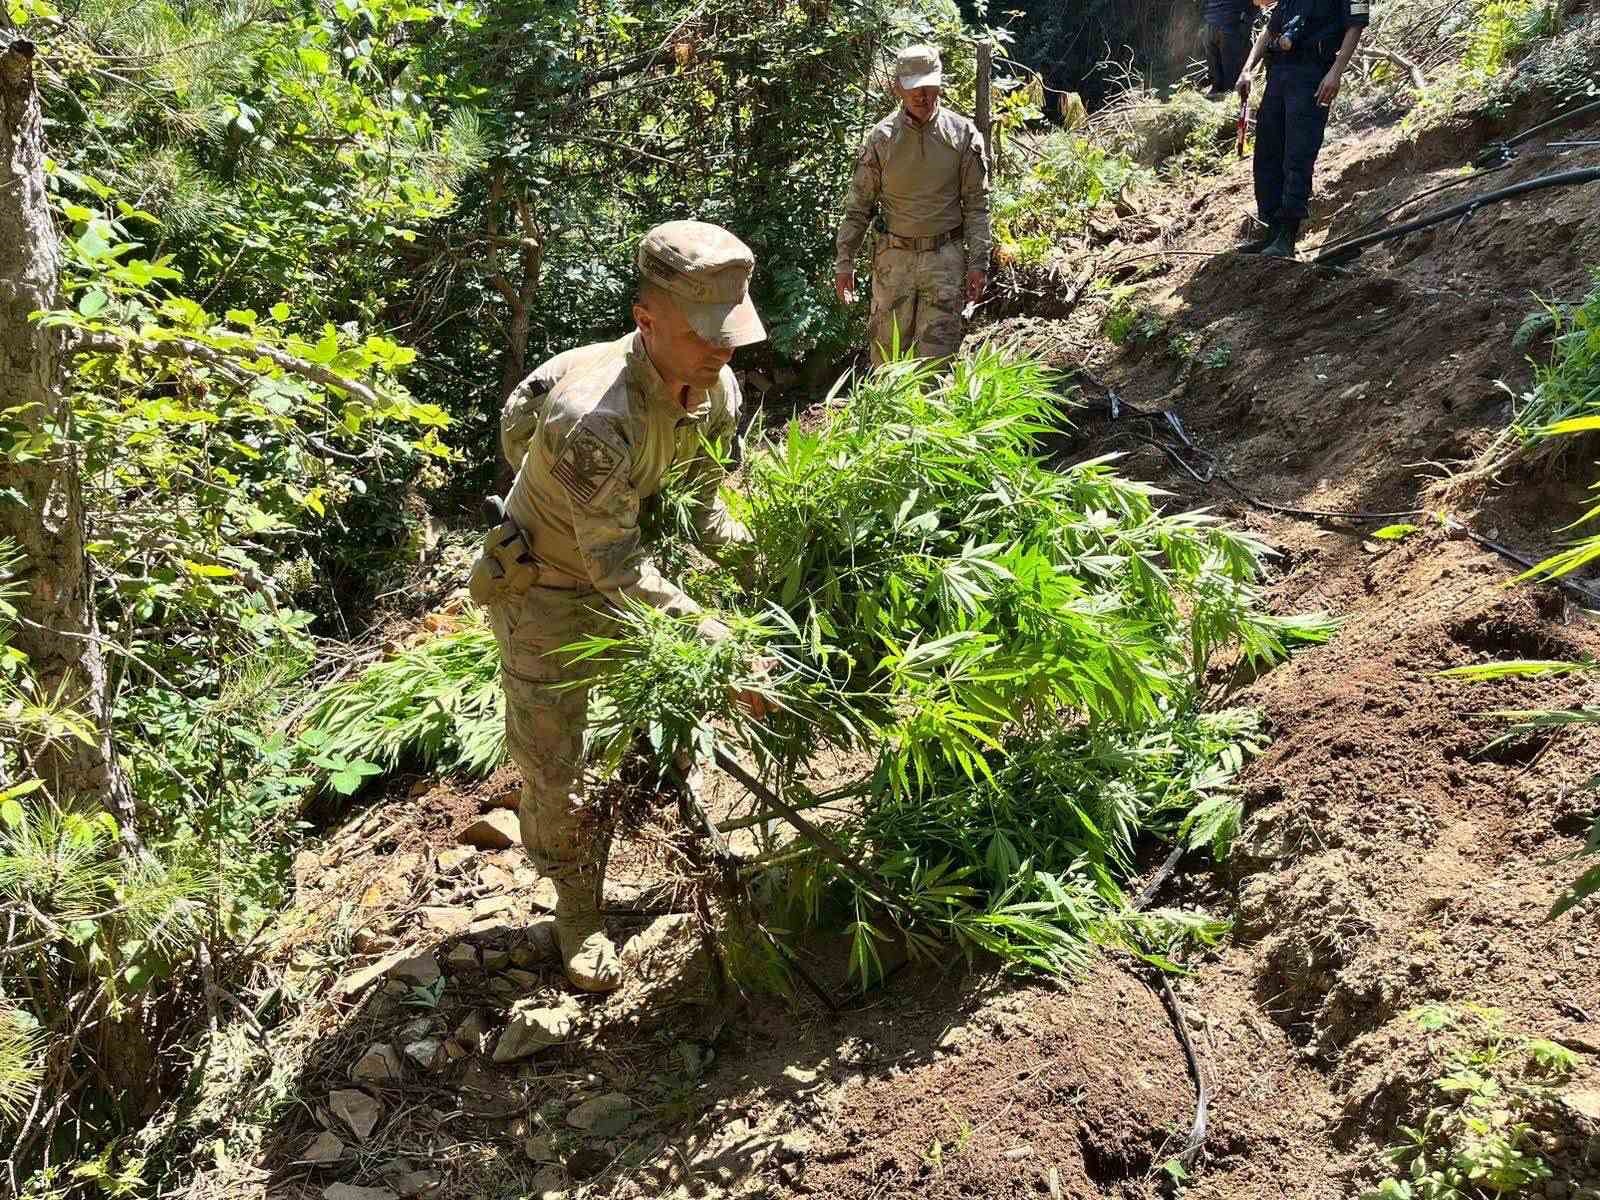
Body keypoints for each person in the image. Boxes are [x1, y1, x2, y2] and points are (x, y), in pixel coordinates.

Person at [470, 220, 766, 994]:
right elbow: (617, 567)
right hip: (549, 593)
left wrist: (772, 559)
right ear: (646, 320)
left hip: (624, 572)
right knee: (555, 766)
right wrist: (714, 636)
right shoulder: (592, 423)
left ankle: (668, 805)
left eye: (731, 332)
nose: (723, 351)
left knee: (667, 710)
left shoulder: (717, 388)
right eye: (706, 334)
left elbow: (705, 511)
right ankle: (576, 909)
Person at [834, 43, 991, 365]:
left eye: (929, 86)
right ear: (898, 88)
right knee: (888, 362)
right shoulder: (882, 139)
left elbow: (977, 205)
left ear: (940, 83)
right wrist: (844, 261)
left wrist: (978, 263)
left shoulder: (962, 135)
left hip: (944, 260)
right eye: (914, 88)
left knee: (936, 364)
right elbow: (859, 206)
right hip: (894, 261)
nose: (922, 96)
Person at [1234, 0, 1367, 258]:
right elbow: (1270, 31)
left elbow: (1356, 26)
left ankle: (1286, 237)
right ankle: (1271, 232)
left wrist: (1335, 72)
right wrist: (1247, 69)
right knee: (1267, 155)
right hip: (1279, 73)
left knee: (1297, 155)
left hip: (1312, 76)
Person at [1202, 0, 1255, 97]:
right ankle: (1230, 103)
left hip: (1210, 25)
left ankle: (1216, 98)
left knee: (1217, 83)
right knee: (1232, 85)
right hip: (1231, 26)